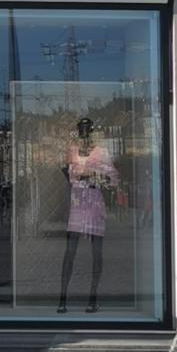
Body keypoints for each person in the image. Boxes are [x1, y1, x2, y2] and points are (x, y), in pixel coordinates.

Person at [57, 117, 118, 314]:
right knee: (70, 252)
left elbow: (113, 179)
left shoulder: (101, 152)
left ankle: (93, 298)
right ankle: (62, 299)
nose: (83, 132)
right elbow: (67, 174)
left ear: (91, 131)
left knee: (96, 253)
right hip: (77, 203)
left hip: (94, 203)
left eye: (87, 129)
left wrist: (97, 176)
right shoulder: (71, 151)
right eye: (81, 129)